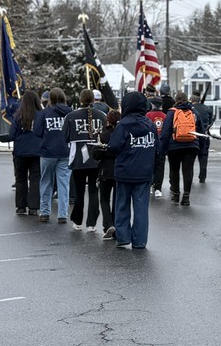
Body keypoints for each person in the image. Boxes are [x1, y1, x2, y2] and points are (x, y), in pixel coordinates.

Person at [108, 91, 159, 250]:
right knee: (141, 208)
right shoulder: (150, 124)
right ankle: (140, 240)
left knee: (122, 205)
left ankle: (123, 237)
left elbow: (114, 147)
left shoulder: (123, 125)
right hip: (144, 172)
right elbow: (156, 148)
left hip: (124, 171)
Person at [64, 89, 107, 232]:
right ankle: (92, 223)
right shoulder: (102, 116)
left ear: (80, 100)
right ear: (94, 100)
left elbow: (65, 137)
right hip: (96, 158)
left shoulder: (70, 116)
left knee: (79, 191)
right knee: (94, 191)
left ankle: (77, 221)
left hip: (78, 159)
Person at [34, 88, 73, 222]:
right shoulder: (70, 113)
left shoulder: (43, 113)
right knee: (63, 184)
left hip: (48, 152)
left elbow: (37, 132)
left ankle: (45, 212)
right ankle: (62, 214)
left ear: (50, 99)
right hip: (65, 151)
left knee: (46, 182)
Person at [160, 91, 204, 206]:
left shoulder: (171, 113)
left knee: (174, 170)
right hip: (191, 145)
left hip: (174, 146)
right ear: (187, 99)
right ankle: (186, 196)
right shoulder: (194, 112)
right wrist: (201, 147)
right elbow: (201, 131)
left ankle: (175, 195)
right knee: (188, 170)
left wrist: (162, 149)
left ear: (176, 100)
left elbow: (165, 133)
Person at [9, 90, 42, 215]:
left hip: (20, 152)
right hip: (37, 152)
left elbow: (11, 135)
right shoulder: (40, 115)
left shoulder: (18, 116)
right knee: (35, 179)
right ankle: (33, 206)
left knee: (20, 178)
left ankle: (21, 206)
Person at [98, 109, 121, 241]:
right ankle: (116, 225)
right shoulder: (122, 134)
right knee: (117, 200)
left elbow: (97, 155)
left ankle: (108, 225)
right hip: (119, 171)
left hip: (105, 171)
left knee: (104, 199)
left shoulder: (104, 135)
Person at [146, 88, 167, 198]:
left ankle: (149, 185)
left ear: (152, 105)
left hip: (150, 144)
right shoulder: (165, 116)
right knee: (160, 166)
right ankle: (158, 188)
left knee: (150, 165)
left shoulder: (147, 115)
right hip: (161, 145)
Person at [191, 93, 215, 183]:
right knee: (203, 157)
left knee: (190, 159)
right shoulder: (207, 108)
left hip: (192, 135)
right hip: (204, 135)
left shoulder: (190, 109)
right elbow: (211, 121)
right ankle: (202, 176)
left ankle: (190, 176)